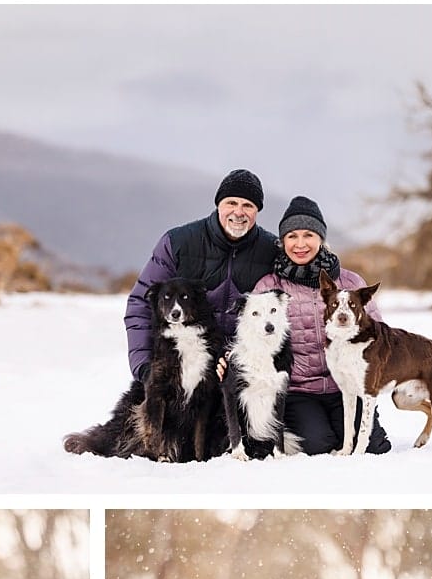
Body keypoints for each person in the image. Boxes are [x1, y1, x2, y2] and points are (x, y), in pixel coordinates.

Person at [252, 196, 391, 455]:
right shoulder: (269, 287)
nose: (300, 244)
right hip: (300, 390)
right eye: (292, 236)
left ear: (321, 239)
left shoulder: (350, 281)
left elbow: (379, 337)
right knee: (318, 445)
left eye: (308, 235)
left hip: (347, 386)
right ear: (282, 241)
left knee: (373, 447)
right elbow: (254, 340)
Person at [123, 169, 279, 381]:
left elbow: (301, 285)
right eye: (231, 203)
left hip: (241, 367)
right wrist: (144, 367)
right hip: (181, 362)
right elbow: (141, 303)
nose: (239, 212)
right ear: (218, 205)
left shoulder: (271, 250)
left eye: (248, 206)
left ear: (257, 211)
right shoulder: (178, 243)